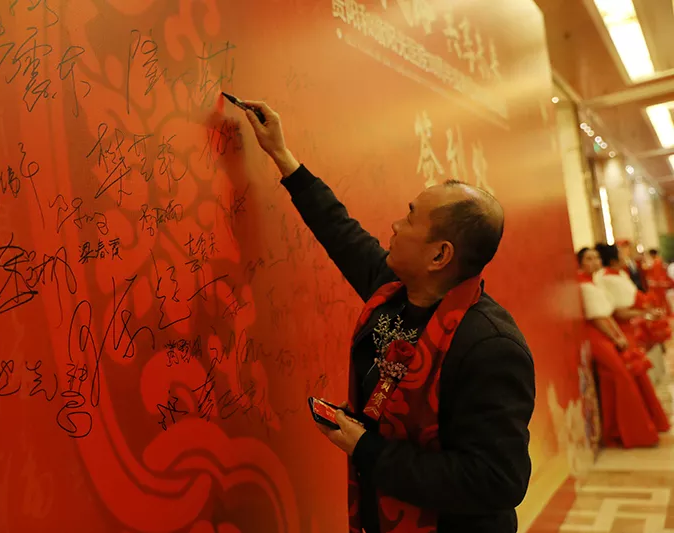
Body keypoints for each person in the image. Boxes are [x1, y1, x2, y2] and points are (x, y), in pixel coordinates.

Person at [242, 101, 535, 533]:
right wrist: (282, 155)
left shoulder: (489, 346)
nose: (395, 226)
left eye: (410, 218)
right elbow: (340, 231)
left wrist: (367, 449)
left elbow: (496, 480)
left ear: (439, 255)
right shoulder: (394, 293)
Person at [576, 248, 668, 447]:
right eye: (589, 258)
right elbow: (597, 316)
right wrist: (616, 336)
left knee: (616, 379)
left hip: (608, 333)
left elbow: (607, 314)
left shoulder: (595, 282)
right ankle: (629, 433)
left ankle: (617, 431)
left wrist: (617, 334)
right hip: (597, 336)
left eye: (596, 257)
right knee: (622, 376)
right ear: (580, 263)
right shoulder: (585, 285)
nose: (595, 261)